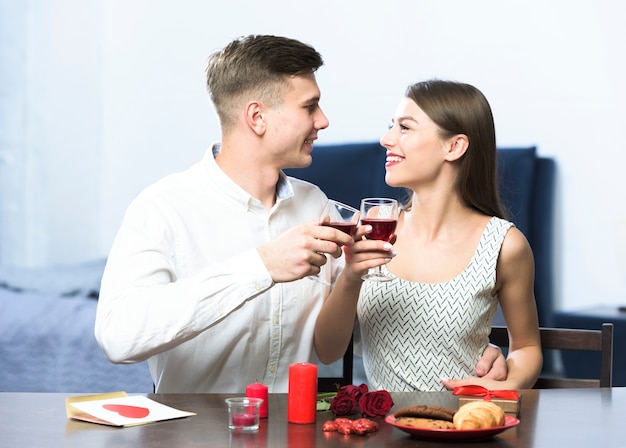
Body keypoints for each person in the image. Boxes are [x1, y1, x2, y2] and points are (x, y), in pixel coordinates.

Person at [95, 36, 507, 393]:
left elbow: (345, 333)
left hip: (299, 430)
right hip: (196, 433)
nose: (323, 121)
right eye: (310, 107)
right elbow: (118, 337)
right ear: (257, 117)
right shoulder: (165, 207)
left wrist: (475, 348)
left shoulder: (319, 209)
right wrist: (261, 265)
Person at [315, 79, 542, 391]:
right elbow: (327, 352)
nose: (386, 139)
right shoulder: (372, 230)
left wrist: (504, 385)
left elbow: (527, 348)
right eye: (391, 126)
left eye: (405, 127)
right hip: (383, 433)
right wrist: (352, 276)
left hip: (465, 426)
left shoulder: (505, 246)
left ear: (454, 146)